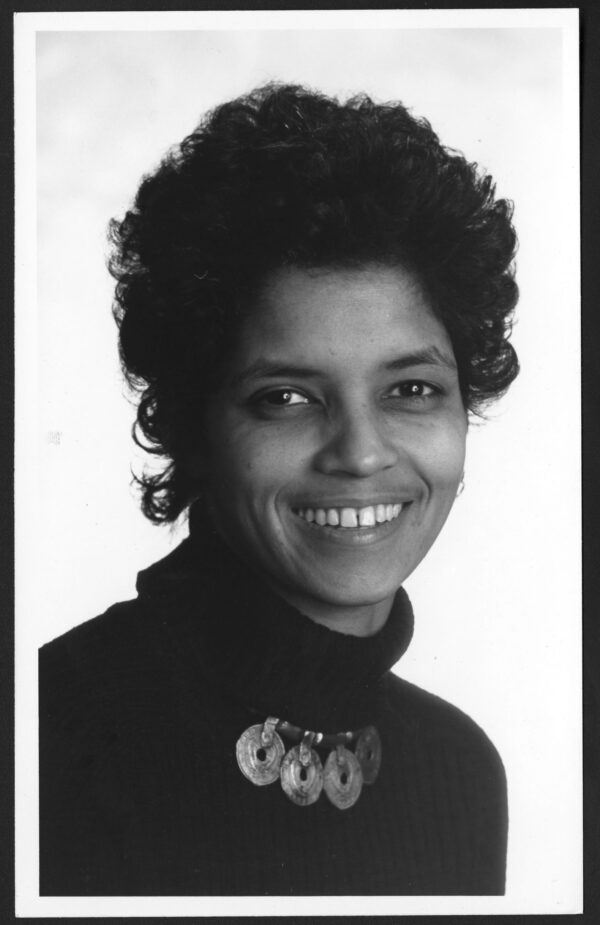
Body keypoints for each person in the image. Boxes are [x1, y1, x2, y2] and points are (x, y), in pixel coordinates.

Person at [39, 83, 519, 896]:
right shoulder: (50, 736)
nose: (362, 456)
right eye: (287, 398)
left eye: (411, 389)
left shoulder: (460, 773)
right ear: (196, 421)